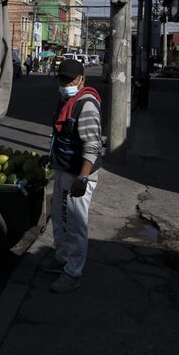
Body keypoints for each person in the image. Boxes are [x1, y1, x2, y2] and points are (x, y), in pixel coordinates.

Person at [39, 59, 103, 294]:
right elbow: (61, 136)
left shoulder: (86, 105)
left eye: (70, 79)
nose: (65, 82)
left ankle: (73, 273)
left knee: (75, 225)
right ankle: (62, 257)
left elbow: (92, 146)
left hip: (78, 175)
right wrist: (50, 157)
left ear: (81, 80)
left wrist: (83, 178)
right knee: (59, 217)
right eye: (62, 78)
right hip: (63, 169)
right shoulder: (66, 100)